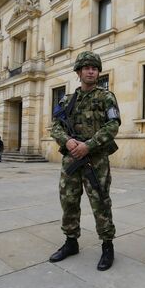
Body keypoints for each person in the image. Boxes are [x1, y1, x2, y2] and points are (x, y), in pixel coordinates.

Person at [49, 51, 121, 271]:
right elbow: (55, 126)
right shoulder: (67, 100)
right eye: (87, 67)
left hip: (95, 160)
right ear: (79, 72)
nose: (91, 71)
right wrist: (68, 141)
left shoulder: (106, 97)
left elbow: (113, 125)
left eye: (95, 68)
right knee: (68, 200)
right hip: (71, 160)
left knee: (100, 201)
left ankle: (107, 246)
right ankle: (71, 242)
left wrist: (88, 145)